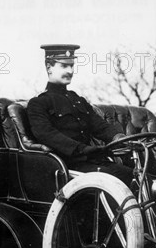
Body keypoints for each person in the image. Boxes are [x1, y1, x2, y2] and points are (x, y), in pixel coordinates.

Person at [27, 44, 133, 186]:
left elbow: (99, 125)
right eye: (64, 66)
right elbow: (47, 134)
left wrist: (118, 137)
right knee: (120, 178)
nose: (70, 71)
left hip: (92, 162)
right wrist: (82, 149)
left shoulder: (78, 100)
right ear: (48, 67)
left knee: (135, 175)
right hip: (67, 167)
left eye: (72, 66)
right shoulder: (39, 103)